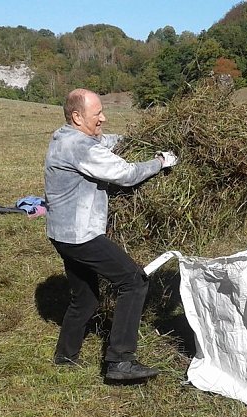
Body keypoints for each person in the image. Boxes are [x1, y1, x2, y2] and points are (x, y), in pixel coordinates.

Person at [44, 88, 178, 380]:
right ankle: (120, 361)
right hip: (82, 235)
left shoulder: (67, 136)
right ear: (77, 117)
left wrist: (136, 139)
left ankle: (65, 357)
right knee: (134, 282)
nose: (103, 118)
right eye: (97, 114)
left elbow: (108, 140)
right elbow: (127, 175)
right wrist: (160, 162)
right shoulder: (81, 148)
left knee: (86, 298)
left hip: (61, 233)